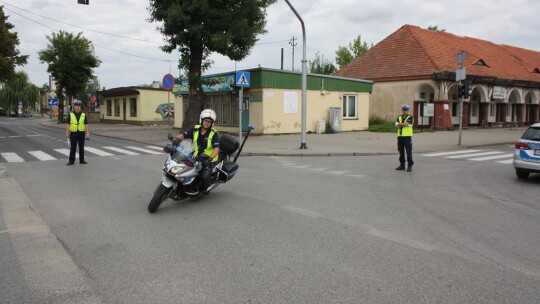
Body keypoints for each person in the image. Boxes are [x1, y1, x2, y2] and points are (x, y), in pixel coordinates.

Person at [175, 109, 220, 193]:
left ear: (212, 123)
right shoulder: (195, 128)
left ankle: (204, 189)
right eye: (205, 120)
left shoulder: (214, 133)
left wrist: (209, 159)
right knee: (181, 165)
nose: (207, 123)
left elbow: (216, 149)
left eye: (209, 122)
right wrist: (177, 139)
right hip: (195, 155)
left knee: (204, 175)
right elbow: (184, 135)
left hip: (208, 159)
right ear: (201, 120)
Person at [65, 99, 90, 165]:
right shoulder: (71, 115)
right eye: (76, 105)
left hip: (81, 133)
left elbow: (86, 124)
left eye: (79, 106)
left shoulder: (83, 115)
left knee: (81, 147)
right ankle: (71, 161)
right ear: (74, 106)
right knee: (73, 147)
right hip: (73, 133)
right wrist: (67, 133)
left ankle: (82, 160)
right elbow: (68, 124)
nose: (78, 107)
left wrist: (87, 133)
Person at [395, 104, 414, 172]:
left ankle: (410, 166)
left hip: (407, 137)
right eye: (403, 109)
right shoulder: (399, 117)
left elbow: (406, 124)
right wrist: (402, 124)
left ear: (408, 110)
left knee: (408, 152)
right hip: (400, 137)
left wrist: (400, 124)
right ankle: (402, 165)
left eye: (406, 110)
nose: (404, 111)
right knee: (401, 152)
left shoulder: (410, 117)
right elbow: (397, 126)